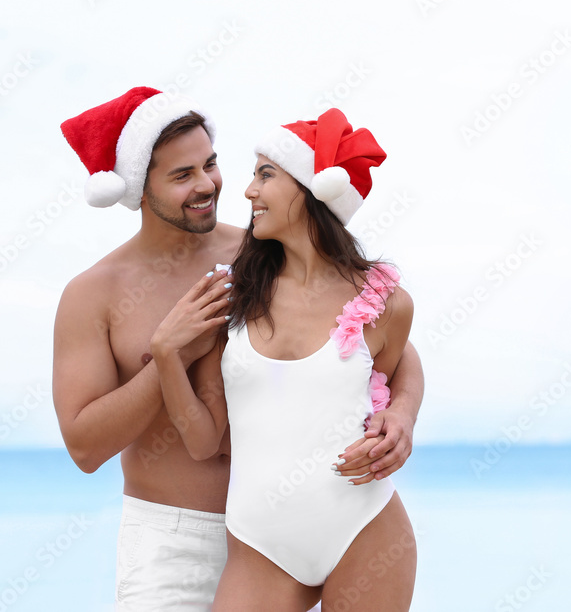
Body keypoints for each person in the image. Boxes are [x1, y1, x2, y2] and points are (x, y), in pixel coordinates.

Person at [53, 87, 424, 610]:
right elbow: (84, 447)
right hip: (174, 542)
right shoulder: (94, 294)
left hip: (301, 521)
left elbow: (376, 341)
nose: (208, 185)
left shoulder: (256, 252)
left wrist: (402, 415)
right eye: (182, 176)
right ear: (140, 186)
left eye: (210, 164)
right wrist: (169, 353)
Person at [151, 108, 417, 611]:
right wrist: (166, 356)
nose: (248, 191)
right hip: (259, 546)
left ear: (315, 189)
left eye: (266, 174)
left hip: (366, 529)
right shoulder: (229, 296)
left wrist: (401, 414)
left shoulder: (384, 302)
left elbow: (402, 367)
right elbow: (206, 441)